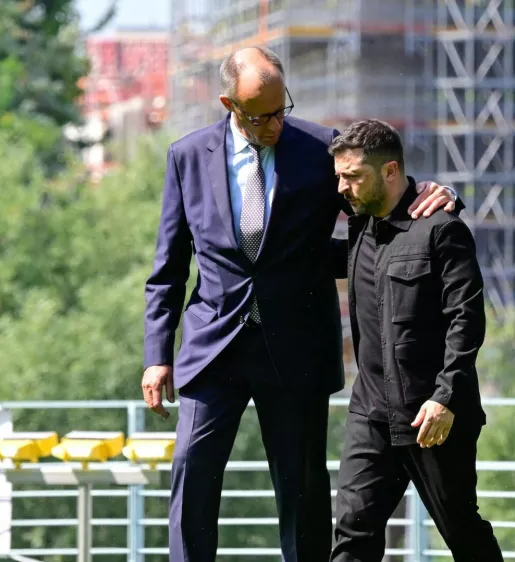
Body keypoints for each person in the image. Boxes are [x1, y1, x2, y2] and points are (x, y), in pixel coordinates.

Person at [141, 46, 460, 562]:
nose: (273, 124)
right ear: (229, 104)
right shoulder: (186, 156)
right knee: (192, 474)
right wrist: (157, 354)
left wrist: (439, 195)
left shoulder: (318, 148)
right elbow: (169, 266)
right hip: (210, 346)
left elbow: (380, 205)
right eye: (259, 115)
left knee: (304, 489)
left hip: (294, 348)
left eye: (280, 109)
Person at [328, 119, 503, 562]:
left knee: (461, 529)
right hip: (370, 413)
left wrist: (446, 399)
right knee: (352, 530)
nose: (343, 188)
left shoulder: (442, 229)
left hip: (432, 416)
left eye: (353, 177)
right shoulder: (359, 230)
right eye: (339, 176)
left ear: (389, 171)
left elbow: (467, 319)